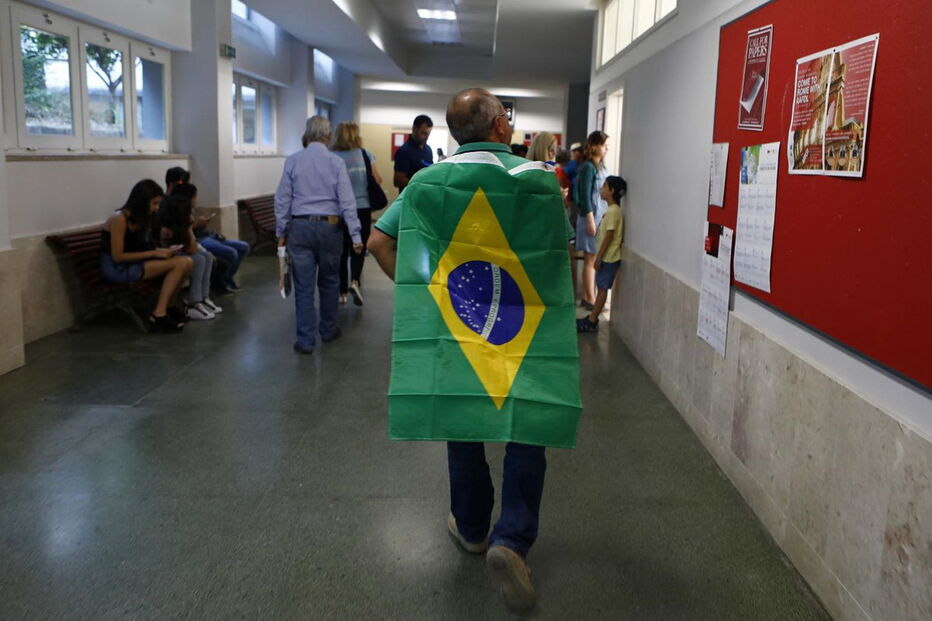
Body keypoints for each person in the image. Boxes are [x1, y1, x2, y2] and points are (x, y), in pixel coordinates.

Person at [368, 88, 580, 614]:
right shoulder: (540, 182)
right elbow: (557, 254)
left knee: (463, 418)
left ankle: (471, 527)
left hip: (459, 325)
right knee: (527, 426)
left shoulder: (425, 182)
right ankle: (512, 539)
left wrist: (430, 294)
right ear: (501, 127)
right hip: (524, 327)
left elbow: (378, 244)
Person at [275, 116, 362, 355]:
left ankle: (305, 340)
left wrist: (281, 231)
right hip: (330, 228)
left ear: (307, 134)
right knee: (330, 281)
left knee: (303, 286)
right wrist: (355, 235)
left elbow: (283, 198)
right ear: (328, 136)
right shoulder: (335, 162)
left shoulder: (292, 161)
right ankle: (328, 329)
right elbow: (347, 201)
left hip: (300, 228)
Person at [100, 179, 192, 333]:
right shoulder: (119, 219)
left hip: (135, 263)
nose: (156, 208)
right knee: (180, 264)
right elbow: (118, 256)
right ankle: (158, 314)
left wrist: (164, 251)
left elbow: (142, 247)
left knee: (187, 262)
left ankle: (169, 307)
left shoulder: (143, 219)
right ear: (142, 201)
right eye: (154, 204)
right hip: (118, 269)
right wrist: (155, 253)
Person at [331, 121, 383, 306]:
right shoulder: (365, 154)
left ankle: (342, 292)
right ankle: (355, 282)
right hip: (362, 208)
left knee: (341, 251)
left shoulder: (332, 156)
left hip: (339, 210)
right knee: (358, 247)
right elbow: (378, 179)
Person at [171, 180, 251, 294]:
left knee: (243, 246)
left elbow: (200, 230)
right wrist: (195, 225)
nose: (196, 200)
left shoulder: (191, 211)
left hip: (208, 236)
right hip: (199, 240)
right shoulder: (177, 212)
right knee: (230, 252)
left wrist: (213, 233)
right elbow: (186, 234)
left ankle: (227, 278)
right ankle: (218, 283)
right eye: (195, 197)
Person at [159, 189, 222, 320]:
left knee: (207, 256)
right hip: (165, 258)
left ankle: (204, 297)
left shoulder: (179, 225)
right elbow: (192, 249)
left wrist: (189, 227)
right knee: (198, 259)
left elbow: (192, 247)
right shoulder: (166, 229)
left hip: (177, 256)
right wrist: (189, 226)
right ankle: (193, 302)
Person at [577, 176, 626, 332]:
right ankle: (592, 316)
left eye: (604, 186)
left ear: (612, 191)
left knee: (602, 289)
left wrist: (598, 258)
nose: (601, 189)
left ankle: (592, 321)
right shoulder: (611, 211)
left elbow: (609, 236)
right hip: (606, 257)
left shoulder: (613, 212)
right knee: (600, 287)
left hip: (608, 258)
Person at [574, 130, 610, 309]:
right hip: (590, 218)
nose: (606, 149)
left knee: (594, 258)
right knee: (590, 259)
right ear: (595, 146)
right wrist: (590, 219)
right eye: (603, 146)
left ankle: (591, 296)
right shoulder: (588, 167)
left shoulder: (600, 167)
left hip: (598, 218)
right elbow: (585, 195)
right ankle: (589, 298)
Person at [393, 114, 433, 191]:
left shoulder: (428, 150)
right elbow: (397, 181)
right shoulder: (404, 151)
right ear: (414, 129)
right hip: (410, 199)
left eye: (428, 134)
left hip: (424, 196)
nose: (426, 137)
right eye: (423, 133)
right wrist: (421, 184)